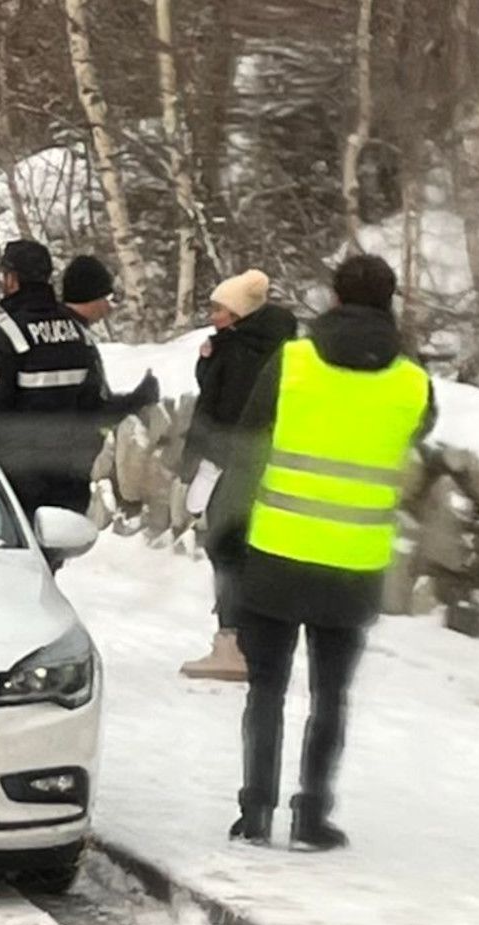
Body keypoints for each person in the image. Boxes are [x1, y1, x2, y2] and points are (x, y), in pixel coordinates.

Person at [212, 254, 436, 850]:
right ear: (390, 303)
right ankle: (311, 816)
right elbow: (418, 432)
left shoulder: (292, 364)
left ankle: (256, 811)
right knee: (330, 695)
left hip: (277, 553)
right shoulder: (413, 383)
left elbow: (249, 450)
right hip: (354, 563)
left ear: (333, 298)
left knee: (266, 688)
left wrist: (226, 530)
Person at [0, 243, 157, 520]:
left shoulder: (5, 336)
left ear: (12, 279)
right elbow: (98, 411)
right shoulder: (79, 335)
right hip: (70, 485)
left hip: (19, 489)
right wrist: (138, 399)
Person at [179, 270, 298, 681]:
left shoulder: (239, 351)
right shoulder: (279, 347)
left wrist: (205, 462)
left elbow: (220, 405)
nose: (212, 316)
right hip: (267, 462)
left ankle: (232, 645)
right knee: (247, 552)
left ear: (240, 312)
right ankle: (253, 642)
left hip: (231, 461)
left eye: (219, 309)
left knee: (225, 548)